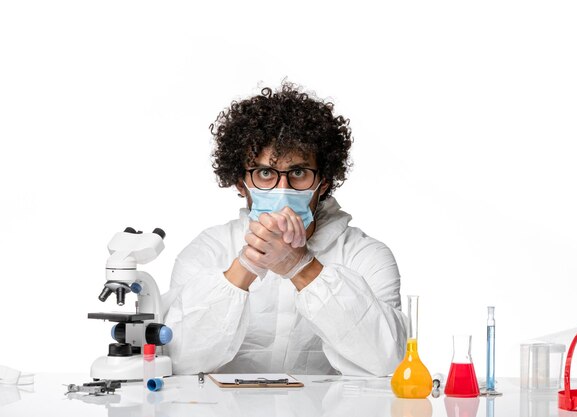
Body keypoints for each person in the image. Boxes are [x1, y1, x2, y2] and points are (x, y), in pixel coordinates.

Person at [164, 82, 406, 376]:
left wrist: (300, 266)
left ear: (324, 181)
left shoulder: (366, 256)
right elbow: (175, 361)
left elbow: (390, 363)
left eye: (299, 173)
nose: (282, 189)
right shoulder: (208, 251)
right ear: (241, 183)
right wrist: (246, 264)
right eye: (265, 173)